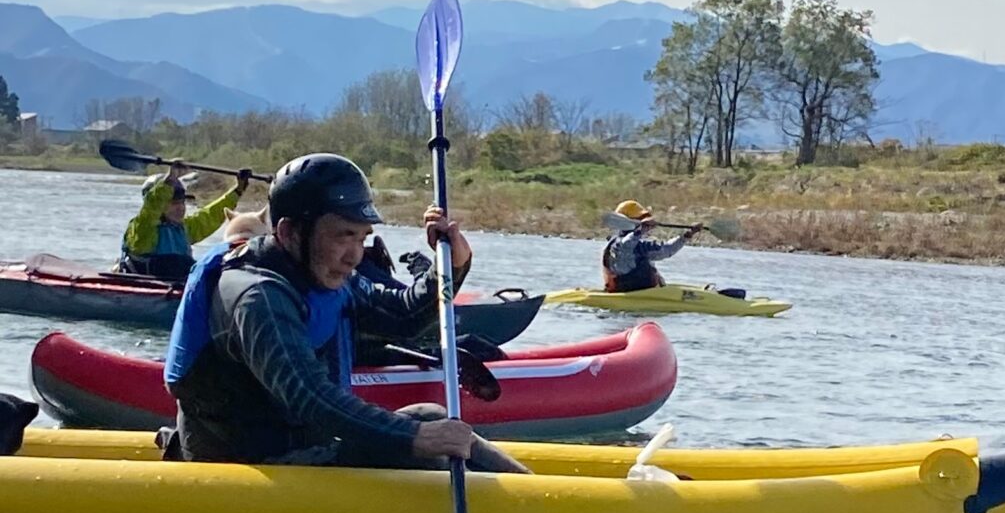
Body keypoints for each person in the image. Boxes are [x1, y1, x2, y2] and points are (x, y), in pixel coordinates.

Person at [164, 151, 526, 471]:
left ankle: (539, 503)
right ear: (290, 232)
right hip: (248, 469)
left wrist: (451, 268)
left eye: (362, 237)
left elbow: (404, 316)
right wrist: (416, 439)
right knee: (426, 449)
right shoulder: (257, 297)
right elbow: (310, 397)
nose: (355, 255)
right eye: (343, 236)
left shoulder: (320, 273)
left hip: (301, 449)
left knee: (431, 417)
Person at [120, 164, 253, 286]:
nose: (180, 208)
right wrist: (170, 181)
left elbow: (211, 215)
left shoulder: (184, 228)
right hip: (150, 291)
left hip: (178, 287)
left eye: (182, 202)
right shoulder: (142, 229)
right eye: (173, 204)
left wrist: (238, 191)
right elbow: (152, 208)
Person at [601, 198, 702, 293]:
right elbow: (625, 247)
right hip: (634, 293)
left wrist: (687, 235)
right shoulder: (617, 245)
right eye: (641, 218)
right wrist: (640, 230)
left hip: (639, 293)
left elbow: (666, 250)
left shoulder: (641, 246)